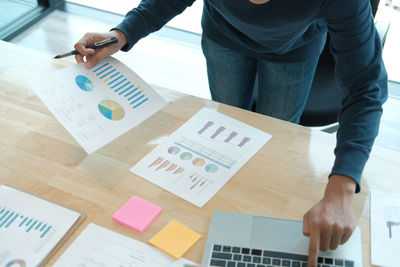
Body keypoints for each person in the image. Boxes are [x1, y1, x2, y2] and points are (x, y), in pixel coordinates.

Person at [74, 0, 388, 266]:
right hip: (223, 37)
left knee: (274, 152)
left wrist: (342, 188)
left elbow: (366, 87)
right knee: (228, 133)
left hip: (294, 49)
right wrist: (120, 34)